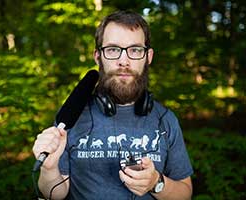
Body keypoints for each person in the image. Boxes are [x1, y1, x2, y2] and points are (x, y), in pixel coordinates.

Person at [32, 10, 193, 200]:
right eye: (113, 49)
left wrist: (156, 183)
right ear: (98, 56)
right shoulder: (71, 117)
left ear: (148, 57)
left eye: (134, 50)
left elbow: (185, 193)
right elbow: (55, 194)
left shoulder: (165, 120)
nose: (123, 61)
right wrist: (49, 169)